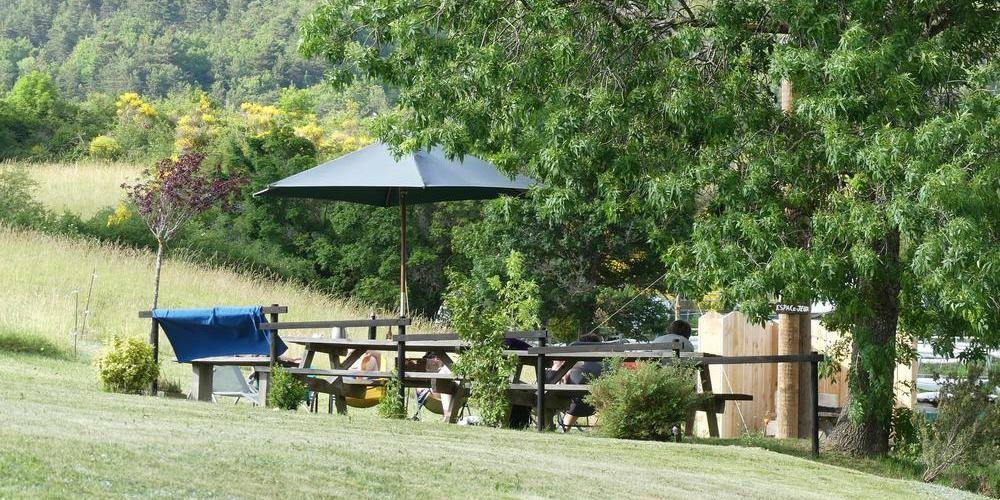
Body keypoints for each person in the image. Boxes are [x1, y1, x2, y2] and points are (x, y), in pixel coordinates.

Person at [559, 333, 605, 431]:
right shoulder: (602, 367)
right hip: (598, 403)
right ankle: (592, 430)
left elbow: (564, 382)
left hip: (575, 404)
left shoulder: (575, 367)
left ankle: (565, 430)